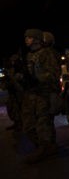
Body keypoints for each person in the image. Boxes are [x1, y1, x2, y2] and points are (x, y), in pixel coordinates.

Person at [20, 29, 61, 164]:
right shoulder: (30, 55)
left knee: (43, 123)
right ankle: (46, 147)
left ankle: (46, 148)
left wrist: (37, 78)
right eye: (26, 37)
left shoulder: (47, 53)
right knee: (29, 125)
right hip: (32, 93)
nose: (26, 39)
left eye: (29, 37)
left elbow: (54, 75)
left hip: (45, 93)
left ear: (37, 39)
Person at [1, 53, 25, 131]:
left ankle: (20, 124)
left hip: (18, 92)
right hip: (12, 92)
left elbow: (17, 80)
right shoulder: (9, 69)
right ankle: (17, 123)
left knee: (19, 109)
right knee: (11, 108)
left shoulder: (18, 69)